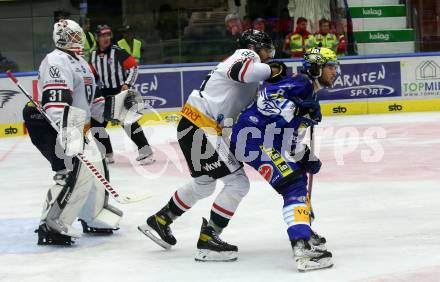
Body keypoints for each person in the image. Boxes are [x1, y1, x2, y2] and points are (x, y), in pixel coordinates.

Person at [138, 29, 278, 261]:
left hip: (193, 125)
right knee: (238, 183)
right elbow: (240, 72)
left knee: (204, 184)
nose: (268, 55)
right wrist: (271, 70)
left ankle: (160, 220)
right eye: (265, 49)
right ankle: (209, 239)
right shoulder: (246, 55)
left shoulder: (241, 61)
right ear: (253, 47)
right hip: (202, 127)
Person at [230, 47, 338, 271]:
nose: (334, 71)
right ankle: (301, 247)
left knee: (296, 177)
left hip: (259, 139)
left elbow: (290, 139)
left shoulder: (307, 92)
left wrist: (305, 156)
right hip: (253, 139)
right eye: (329, 66)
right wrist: (290, 114)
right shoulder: (300, 85)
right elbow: (266, 104)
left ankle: (303, 228)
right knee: (294, 185)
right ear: (316, 68)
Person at [24, 19, 123, 245]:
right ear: (66, 37)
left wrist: (118, 107)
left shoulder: (82, 63)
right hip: (51, 125)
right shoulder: (56, 60)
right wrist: (68, 134)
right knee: (71, 171)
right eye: (76, 36)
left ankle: (94, 215)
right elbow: (56, 102)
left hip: (74, 124)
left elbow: (94, 101)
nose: (81, 40)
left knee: (95, 164)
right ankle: (51, 224)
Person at [90, 25, 154, 165]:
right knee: (96, 125)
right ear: (97, 38)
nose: (106, 38)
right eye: (103, 36)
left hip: (119, 92)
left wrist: (127, 84)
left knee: (128, 122)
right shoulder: (93, 55)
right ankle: (107, 154)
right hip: (103, 95)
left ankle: (146, 152)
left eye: (108, 35)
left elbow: (134, 67)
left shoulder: (118, 51)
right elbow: (92, 75)